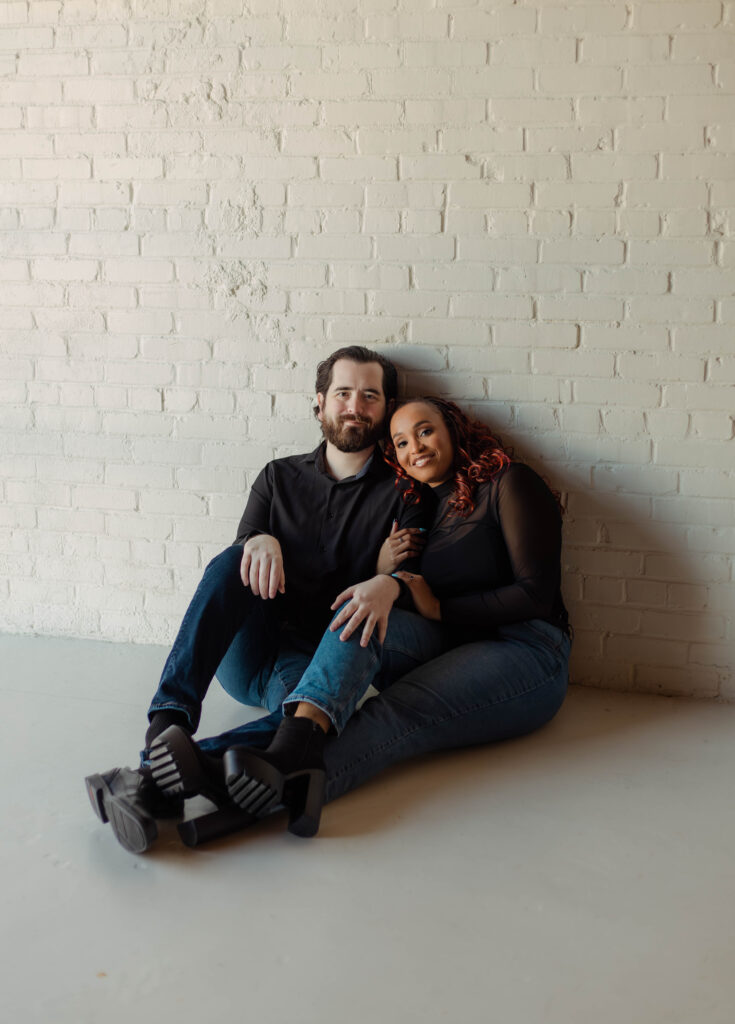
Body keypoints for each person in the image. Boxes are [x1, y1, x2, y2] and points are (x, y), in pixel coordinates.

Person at [157, 396, 571, 845]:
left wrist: (440, 610)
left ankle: (195, 777)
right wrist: (382, 577)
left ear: (453, 429)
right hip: (453, 641)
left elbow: (536, 594)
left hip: (526, 649)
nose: (417, 446)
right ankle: (283, 751)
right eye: (401, 441)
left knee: (392, 715)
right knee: (357, 617)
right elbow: (404, 594)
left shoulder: (509, 482)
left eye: (426, 431)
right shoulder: (423, 512)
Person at [84, 346, 427, 853]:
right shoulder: (277, 476)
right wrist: (255, 540)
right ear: (319, 404)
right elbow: (238, 572)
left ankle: (150, 781)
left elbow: (410, 583)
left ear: (385, 406)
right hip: (252, 654)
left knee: (307, 711)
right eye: (343, 393)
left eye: (369, 395)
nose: (355, 405)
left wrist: (388, 580)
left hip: (315, 668)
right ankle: (168, 723)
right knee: (232, 560)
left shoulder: (406, 494)